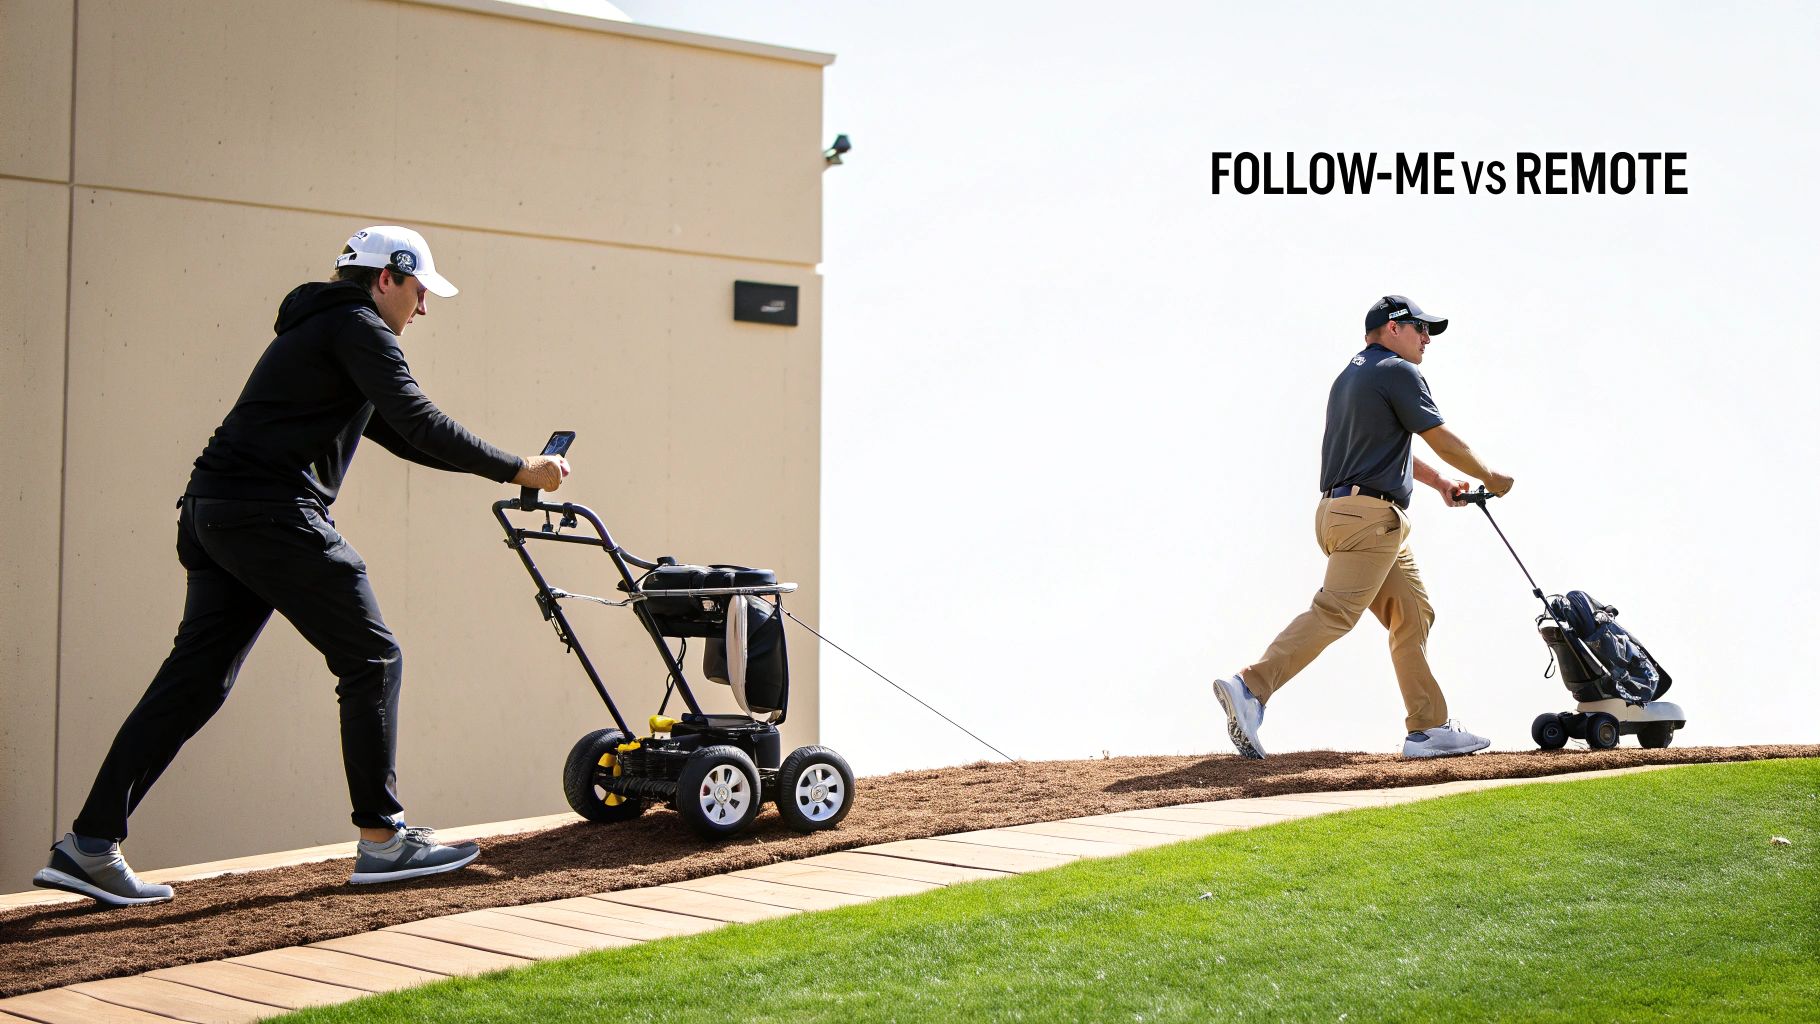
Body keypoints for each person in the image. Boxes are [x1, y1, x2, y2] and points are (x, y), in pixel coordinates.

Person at [32, 226, 570, 907]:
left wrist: (506, 472)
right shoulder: (359, 330)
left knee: (195, 681)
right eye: (420, 291)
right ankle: (383, 841)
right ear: (387, 278)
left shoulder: (324, 330)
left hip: (214, 510)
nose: (424, 309)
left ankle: (89, 844)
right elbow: (420, 420)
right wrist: (521, 466)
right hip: (270, 513)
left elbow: (402, 435)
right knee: (373, 658)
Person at [1212, 295, 1515, 761]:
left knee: (1412, 613)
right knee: (1336, 611)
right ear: (1393, 328)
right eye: (1420, 328)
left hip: (1347, 515)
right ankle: (1251, 687)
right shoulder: (1398, 371)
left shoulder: (1351, 376)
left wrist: (1437, 484)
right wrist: (1490, 476)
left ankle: (1429, 728)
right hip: (1369, 519)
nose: (1427, 338)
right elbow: (1440, 437)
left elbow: (1391, 447)